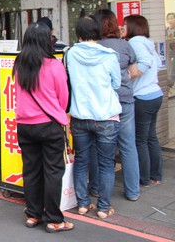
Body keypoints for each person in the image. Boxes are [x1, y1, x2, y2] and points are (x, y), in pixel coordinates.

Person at [13, 22, 72, 232]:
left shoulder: (19, 64)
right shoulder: (54, 65)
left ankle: (33, 215)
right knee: (53, 171)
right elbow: (63, 100)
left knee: (31, 171)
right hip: (49, 126)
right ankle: (54, 219)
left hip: (25, 127)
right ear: (47, 40)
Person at [66, 16, 121, 219]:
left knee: (81, 161)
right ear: (98, 32)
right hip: (106, 116)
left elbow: (70, 81)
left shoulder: (71, 54)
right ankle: (104, 208)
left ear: (78, 33)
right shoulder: (109, 56)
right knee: (107, 164)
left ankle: (82, 204)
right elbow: (116, 83)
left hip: (80, 116)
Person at [90, 10, 140, 202]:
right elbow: (134, 72)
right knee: (128, 145)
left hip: (102, 102)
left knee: (98, 146)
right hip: (125, 100)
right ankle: (133, 191)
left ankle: (95, 188)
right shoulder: (125, 45)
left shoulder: (94, 47)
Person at [124, 15, 164, 188]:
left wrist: (131, 75)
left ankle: (145, 178)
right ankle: (156, 175)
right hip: (155, 94)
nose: (121, 26)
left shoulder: (135, 42)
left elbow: (146, 63)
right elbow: (157, 63)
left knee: (140, 140)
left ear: (133, 26)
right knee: (150, 137)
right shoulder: (148, 42)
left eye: (124, 24)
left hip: (143, 97)